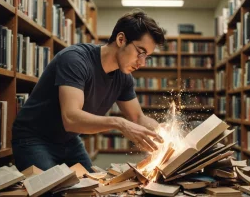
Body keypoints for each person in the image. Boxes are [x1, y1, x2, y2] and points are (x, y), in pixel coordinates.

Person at [11, 9, 165, 172]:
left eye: (146, 56)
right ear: (121, 39)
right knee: (51, 190)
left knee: (92, 186)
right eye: (140, 52)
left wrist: (163, 133)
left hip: (69, 140)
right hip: (34, 138)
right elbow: (71, 118)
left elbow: (138, 117)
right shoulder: (75, 59)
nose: (142, 63)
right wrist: (118, 123)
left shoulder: (124, 77)